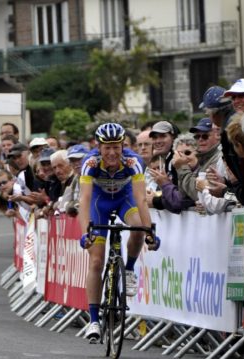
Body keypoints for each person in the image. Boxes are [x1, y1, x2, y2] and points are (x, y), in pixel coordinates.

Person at [78, 123, 160, 343]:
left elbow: (142, 199)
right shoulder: (90, 162)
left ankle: (130, 270)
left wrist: (149, 230)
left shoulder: (133, 162)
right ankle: (94, 320)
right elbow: (84, 200)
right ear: (99, 147)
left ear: (123, 145)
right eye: (107, 148)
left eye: (117, 147)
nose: (113, 152)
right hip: (99, 203)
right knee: (96, 261)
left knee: (137, 228)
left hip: (124, 199)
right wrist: (86, 231)